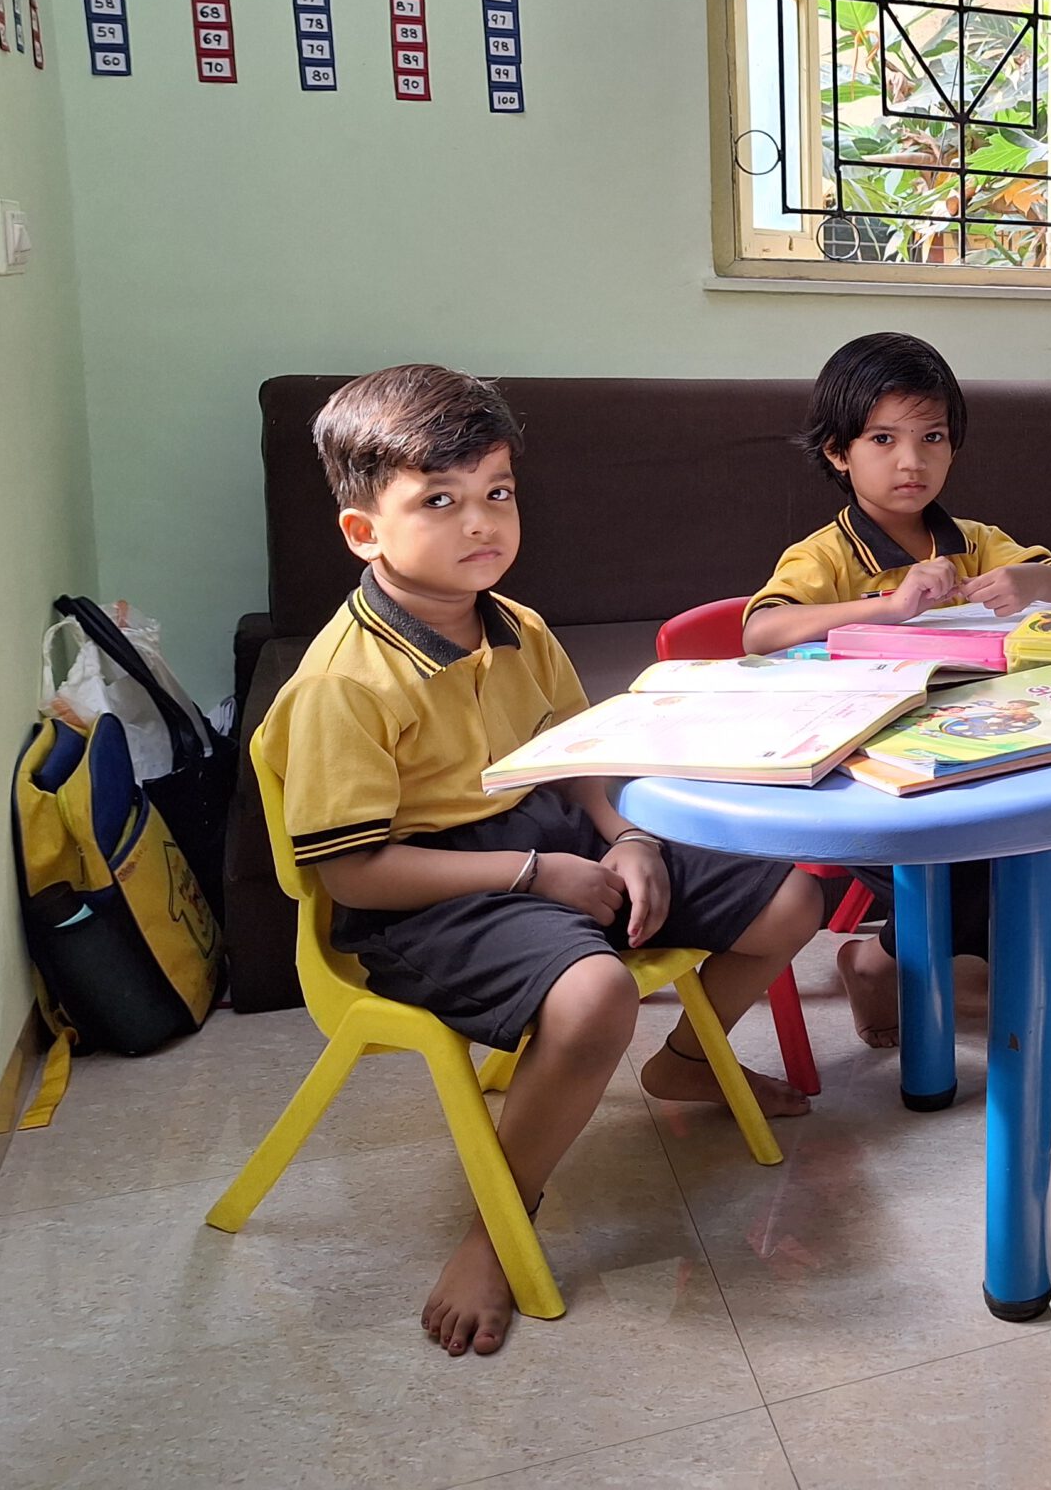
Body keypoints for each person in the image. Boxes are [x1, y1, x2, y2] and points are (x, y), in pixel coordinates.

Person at [256, 365, 824, 1359]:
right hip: (423, 898)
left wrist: (629, 839)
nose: (480, 523)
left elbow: (579, 764)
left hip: (546, 841)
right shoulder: (342, 684)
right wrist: (532, 875)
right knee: (594, 992)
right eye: (438, 501)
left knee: (788, 890)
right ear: (365, 532)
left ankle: (686, 1064)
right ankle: (497, 1225)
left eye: (496, 494)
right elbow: (352, 876)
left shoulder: (520, 629)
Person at [743, 332, 1051, 1044]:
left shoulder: (971, 537)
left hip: (971, 746)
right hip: (863, 769)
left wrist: (1032, 580)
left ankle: (914, 964)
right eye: (883, 439)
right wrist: (886, 606)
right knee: (954, 863)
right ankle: (888, 962)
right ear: (839, 453)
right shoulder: (826, 554)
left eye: (931, 437)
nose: (912, 461)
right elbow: (761, 631)